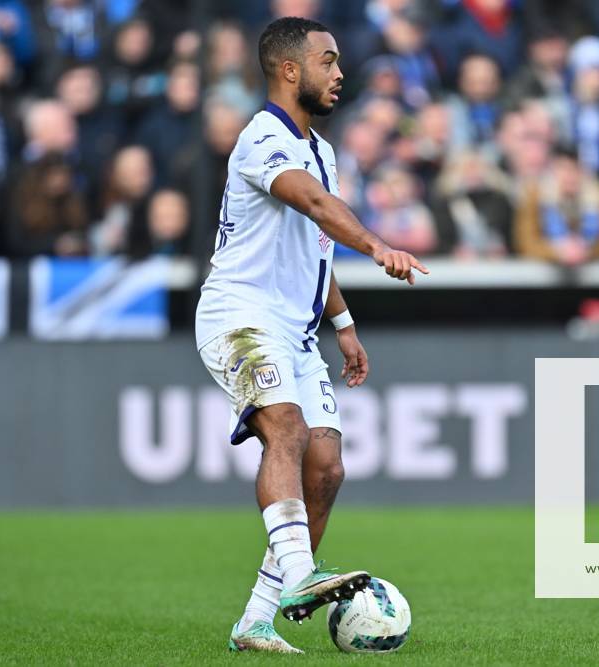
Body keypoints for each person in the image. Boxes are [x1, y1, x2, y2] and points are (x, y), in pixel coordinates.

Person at [193, 17, 429, 654]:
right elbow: (317, 207)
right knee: (287, 429)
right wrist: (378, 244)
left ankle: (257, 620)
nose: (339, 72)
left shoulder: (322, 151)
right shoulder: (260, 139)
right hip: (237, 315)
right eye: (328, 61)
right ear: (289, 70)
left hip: (296, 330)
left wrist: (344, 324)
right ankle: (301, 574)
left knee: (326, 469)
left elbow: (314, 245)